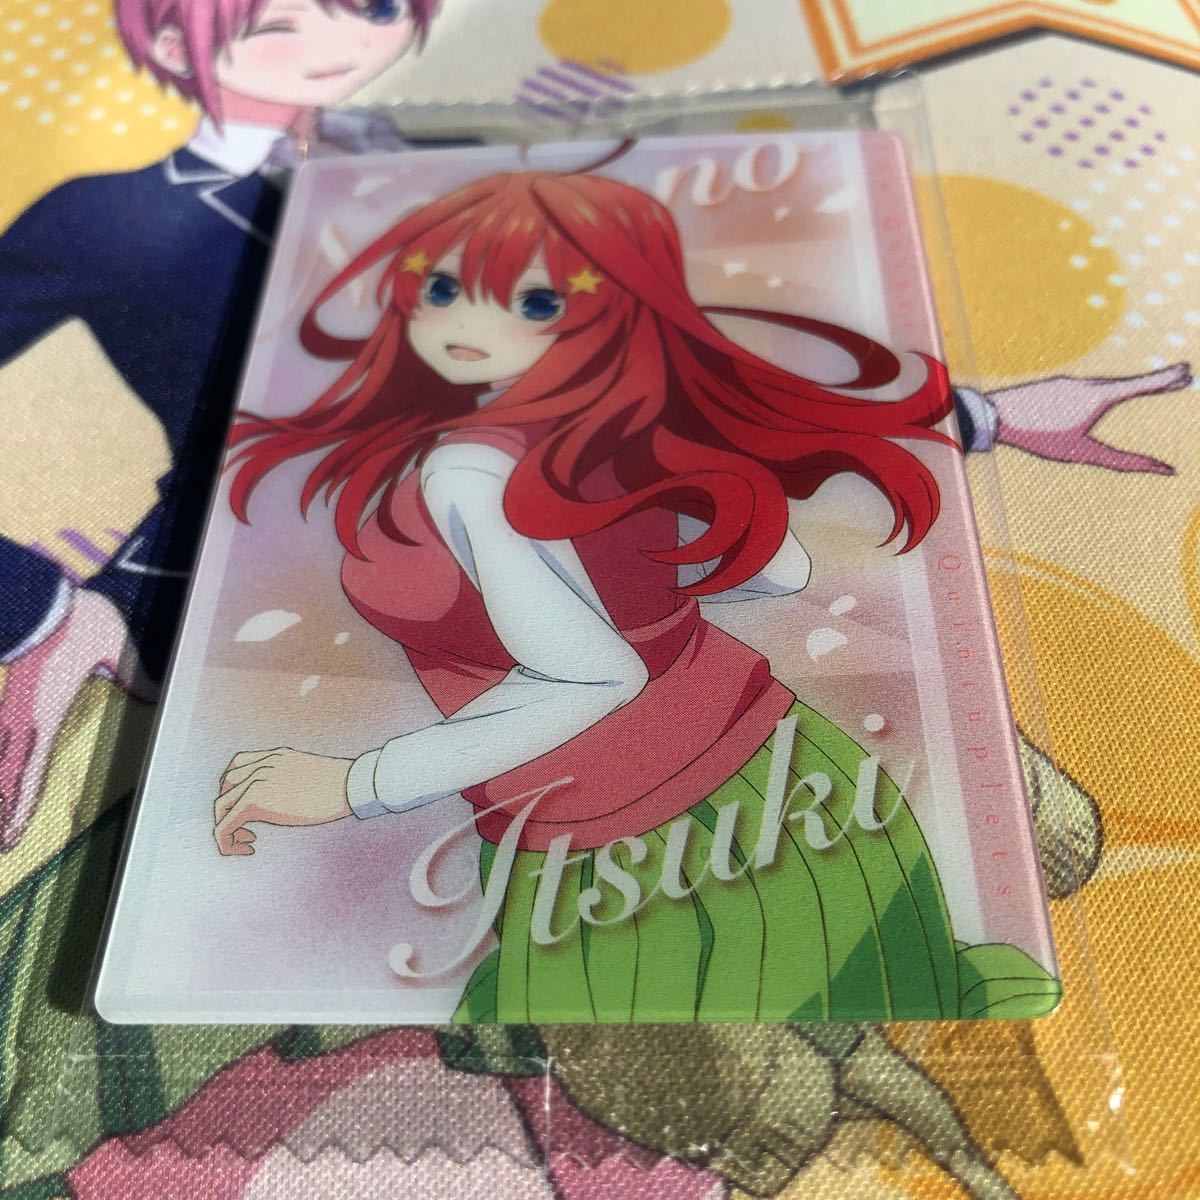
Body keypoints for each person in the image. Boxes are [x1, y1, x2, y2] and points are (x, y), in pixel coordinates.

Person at [217, 167, 1061, 1023]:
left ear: (613, 309)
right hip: (790, 787)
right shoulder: (621, 427)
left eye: (535, 302)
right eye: (443, 288)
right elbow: (777, 570)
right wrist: (639, 602)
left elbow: (593, 677)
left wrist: (354, 784)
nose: (469, 322)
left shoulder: (472, 469)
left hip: (637, 846)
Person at [0, 0, 441, 847]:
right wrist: (38, 608)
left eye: (376, 8)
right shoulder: (106, 215)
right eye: (280, 26)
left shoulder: (431, 156)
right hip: (244, 586)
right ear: (175, 45)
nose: (348, 42)